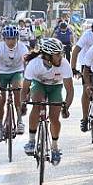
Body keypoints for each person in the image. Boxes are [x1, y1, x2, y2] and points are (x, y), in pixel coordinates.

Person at [21, 38, 74, 166]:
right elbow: (24, 89)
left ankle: (55, 147)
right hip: (39, 85)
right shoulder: (34, 64)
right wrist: (23, 104)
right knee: (37, 105)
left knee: (54, 118)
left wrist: (66, 107)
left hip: (56, 87)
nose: (61, 57)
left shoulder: (64, 64)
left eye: (61, 53)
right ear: (48, 56)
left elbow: (70, 90)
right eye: (57, 54)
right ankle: (32, 140)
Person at [0, 25, 28, 142]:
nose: (11, 41)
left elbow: (26, 64)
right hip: (1, 73)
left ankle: (19, 120)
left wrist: (27, 82)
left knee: (17, 90)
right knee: (1, 100)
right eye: (8, 39)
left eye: (13, 39)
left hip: (16, 72)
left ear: (17, 39)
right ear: (4, 39)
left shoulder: (22, 48)